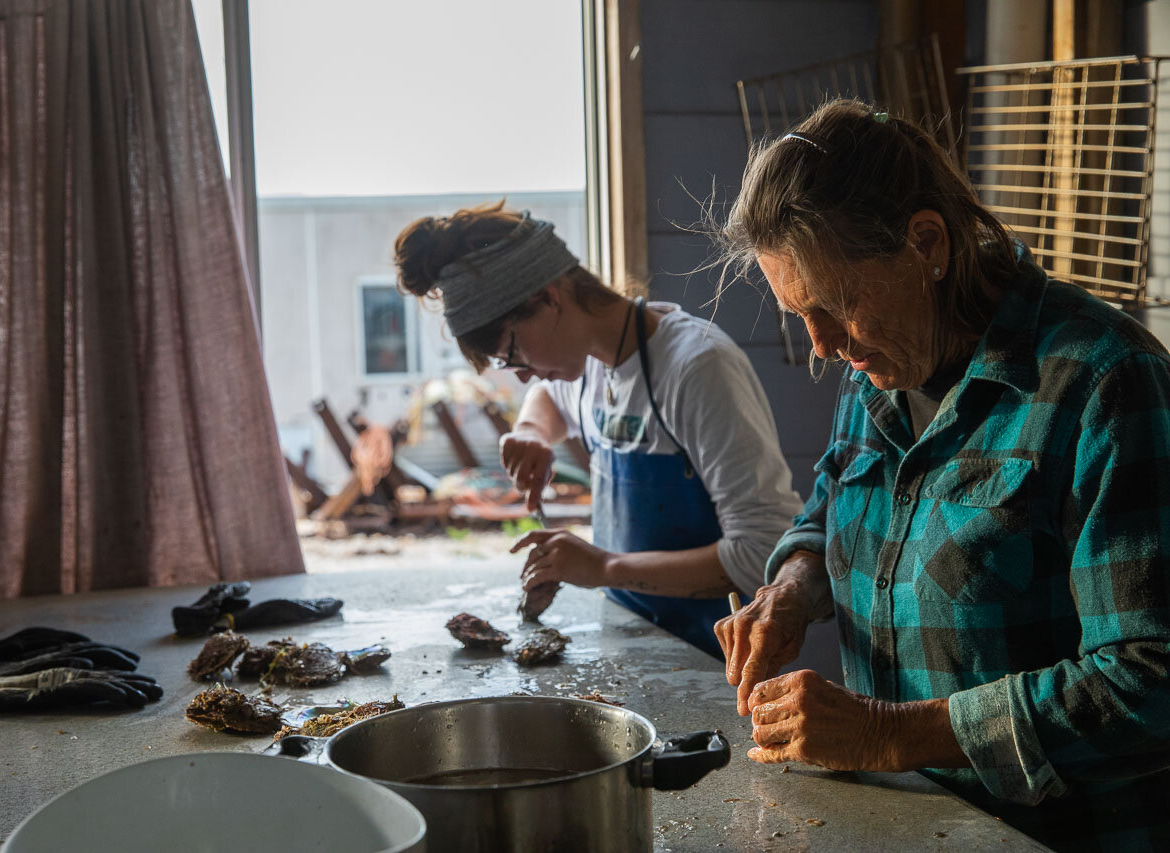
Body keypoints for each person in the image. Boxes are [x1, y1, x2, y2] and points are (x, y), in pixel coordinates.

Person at [713, 98, 1170, 851]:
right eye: (799, 314)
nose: (821, 346)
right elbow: (830, 504)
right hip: (911, 828)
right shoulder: (879, 366)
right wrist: (792, 587)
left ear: (926, 243)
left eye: (833, 306)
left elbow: (1149, 681)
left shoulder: (1104, 383)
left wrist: (892, 733)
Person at [394, 202, 802, 658]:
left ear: (548, 298)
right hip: (635, 645)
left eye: (511, 354)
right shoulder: (587, 366)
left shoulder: (697, 368)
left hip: (719, 657)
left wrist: (605, 566)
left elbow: (765, 551)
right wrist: (530, 432)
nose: (522, 375)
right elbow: (547, 399)